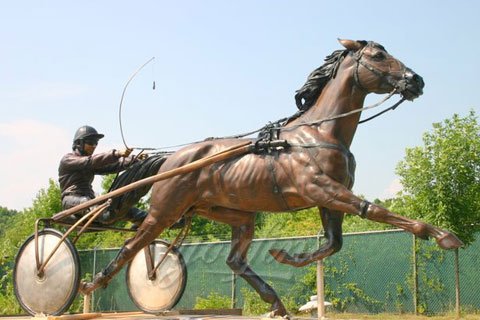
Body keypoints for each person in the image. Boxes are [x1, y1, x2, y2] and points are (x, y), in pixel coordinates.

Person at [58, 125, 147, 226]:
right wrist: (116, 153)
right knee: (93, 204)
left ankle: (143, 223)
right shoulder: (68, 159)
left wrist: (134, 159)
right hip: (71, 200)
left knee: (121, 206)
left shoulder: (89, 163)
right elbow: (90, 161)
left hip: (90, 200)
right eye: (91, 142)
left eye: (96, 143)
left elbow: (112, 166)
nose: (94, 146)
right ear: (79, 143)